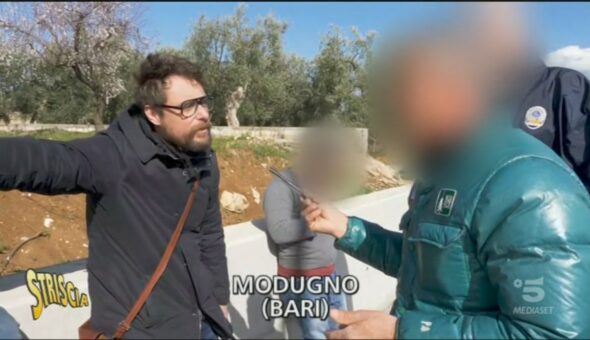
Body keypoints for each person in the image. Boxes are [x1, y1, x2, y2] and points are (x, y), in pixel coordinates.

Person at [301, 37, 590, 339]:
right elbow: (427, 267)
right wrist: (348, 228)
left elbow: (552, 334)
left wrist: (402, 331)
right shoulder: (442, 169)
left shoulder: (530, 188)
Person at [0, 54, 232, 339]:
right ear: (153, 113)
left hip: (204, 322)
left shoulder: (205, 160)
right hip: (141, 330)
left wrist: (220, 299)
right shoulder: (114, 155)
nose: (204, 114)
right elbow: (51, 161)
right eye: (187, 106)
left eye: (203, 101)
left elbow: (210, 233)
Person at [263, 126, 362, 339]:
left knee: (339, 331)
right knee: (317, 335)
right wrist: (309, 222)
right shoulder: (280, 188)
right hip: (303, 281)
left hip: (330, 275)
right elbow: (278, 232)